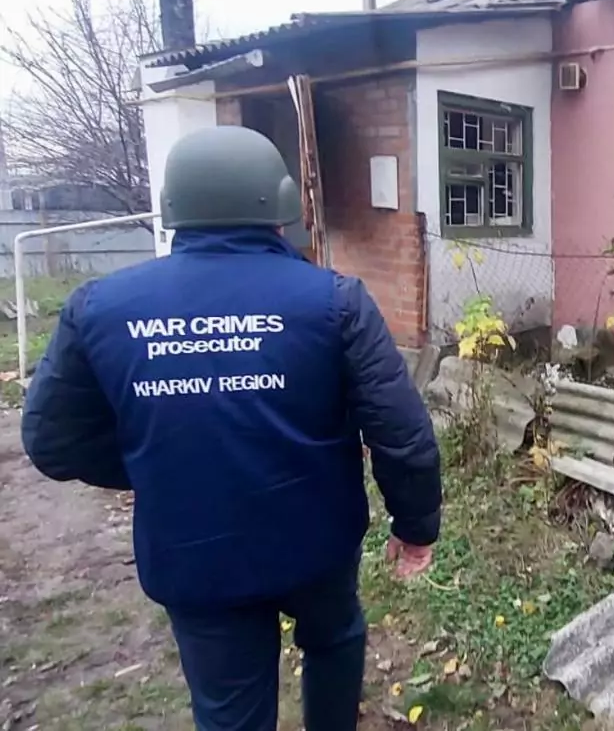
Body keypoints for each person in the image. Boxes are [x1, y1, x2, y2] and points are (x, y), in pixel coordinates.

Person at [21, 125, 442, 731]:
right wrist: (416, 526)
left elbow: (52, 443)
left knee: (228, 711)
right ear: (279, 206)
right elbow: (402, 435)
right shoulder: (335, 301)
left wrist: (154, 462)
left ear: (173, 210)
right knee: (334, 639)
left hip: (193, 554)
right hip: (317, 542)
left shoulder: (98, 308)